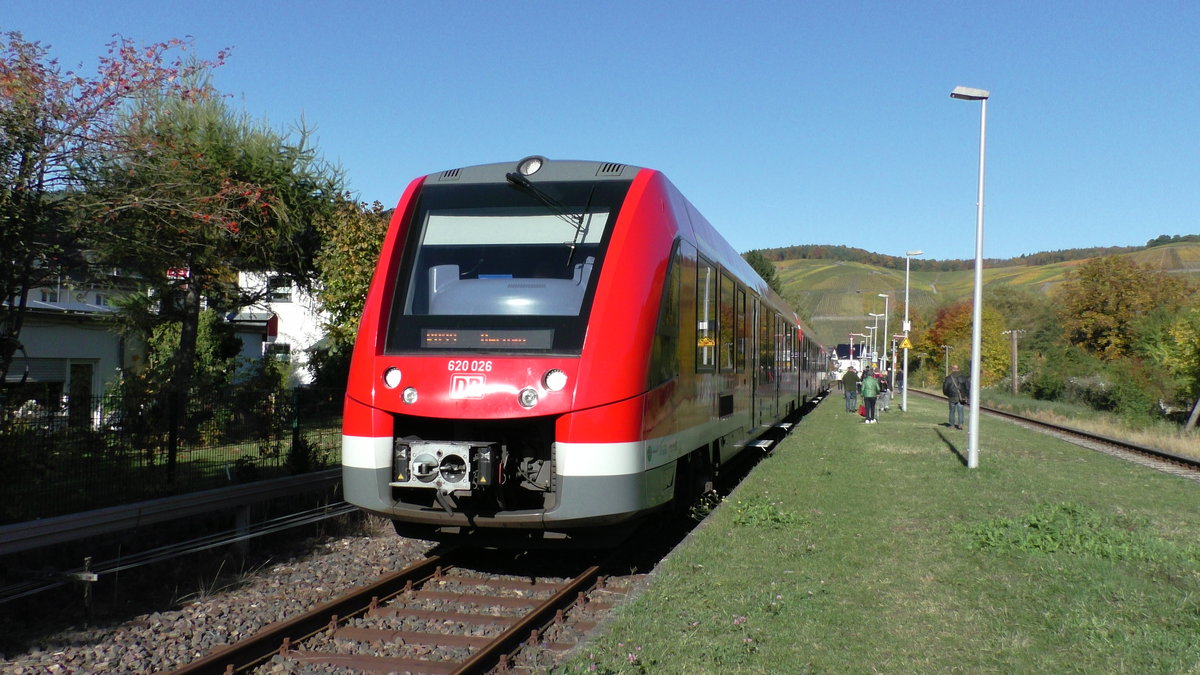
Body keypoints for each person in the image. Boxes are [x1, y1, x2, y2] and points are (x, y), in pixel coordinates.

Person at [942, 364, 968, 429]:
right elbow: (967, 387)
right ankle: (960, 424)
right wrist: (965, 396)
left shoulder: (948, 378)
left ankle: (952, 425)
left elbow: (945, 388)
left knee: (952, 411)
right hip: (961, 398)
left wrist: (948, 395)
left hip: (951, 397)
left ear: (952, 369)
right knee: (961, 411)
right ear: (958, 369)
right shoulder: (963, 377)